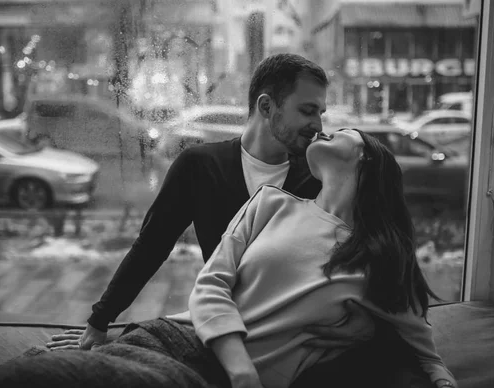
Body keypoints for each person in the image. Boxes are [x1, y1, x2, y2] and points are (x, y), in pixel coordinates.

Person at [47, 54, 432, 386]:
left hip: (284, 346)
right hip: (215, 327)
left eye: (321, 112)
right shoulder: (199, 165)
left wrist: (360, 327)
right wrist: (100, 323)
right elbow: (151, 246)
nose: (318, 125)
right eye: (307, 110)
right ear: (266, 106)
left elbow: (373, 252)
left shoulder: (321, 178)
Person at [0, 129, 457, 388]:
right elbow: (210, 283)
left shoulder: (374, 262)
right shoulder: (272, 202)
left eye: (341, 129)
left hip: (204, 378)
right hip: (175, 340)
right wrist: (240, 365)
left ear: (365, 159)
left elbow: (421, 342)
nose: (323, 129)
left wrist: (438, 376)